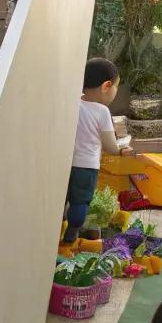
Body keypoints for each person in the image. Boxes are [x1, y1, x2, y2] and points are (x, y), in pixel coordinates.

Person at [63, 57, 131, 247]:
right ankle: (70, 238)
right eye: (116, 87)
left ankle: (56, 233)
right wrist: (122, 149)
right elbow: (110, 146)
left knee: (61, 199)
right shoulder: (101, 111)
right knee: (80, 202)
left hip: (64, 163)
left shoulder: (71, 103)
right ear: (106, 86)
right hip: (86, 166)